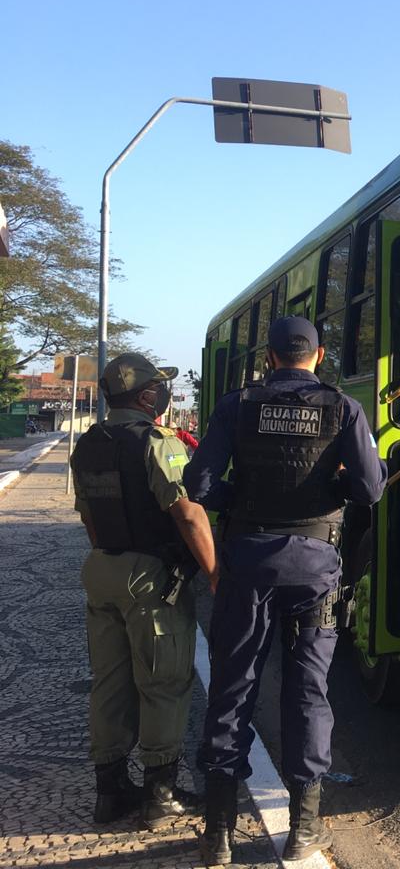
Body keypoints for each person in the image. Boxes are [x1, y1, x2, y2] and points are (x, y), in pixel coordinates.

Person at [184, 317, 386, 866]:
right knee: (309, 691)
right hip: (315, 567)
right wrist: (331, 487)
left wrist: (244, 496)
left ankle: (217, 834)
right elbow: (369, 488)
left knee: (233, 686)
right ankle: (304, 828)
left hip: (247, 560)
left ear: (269, 358)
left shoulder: (236, 405)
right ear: (318, 357)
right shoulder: (343, 408)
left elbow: (198, 485)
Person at [70, 353, 218, 828]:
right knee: (163, 683)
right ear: (149, 396)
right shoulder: (158, 443)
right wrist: (215, 573)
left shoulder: (87, 445)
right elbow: (188, 513)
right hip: (148, 577)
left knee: (110, 682)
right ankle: (161, 795)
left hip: (102, 568)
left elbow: (90, 518)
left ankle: (109, 792)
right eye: (159, 387)